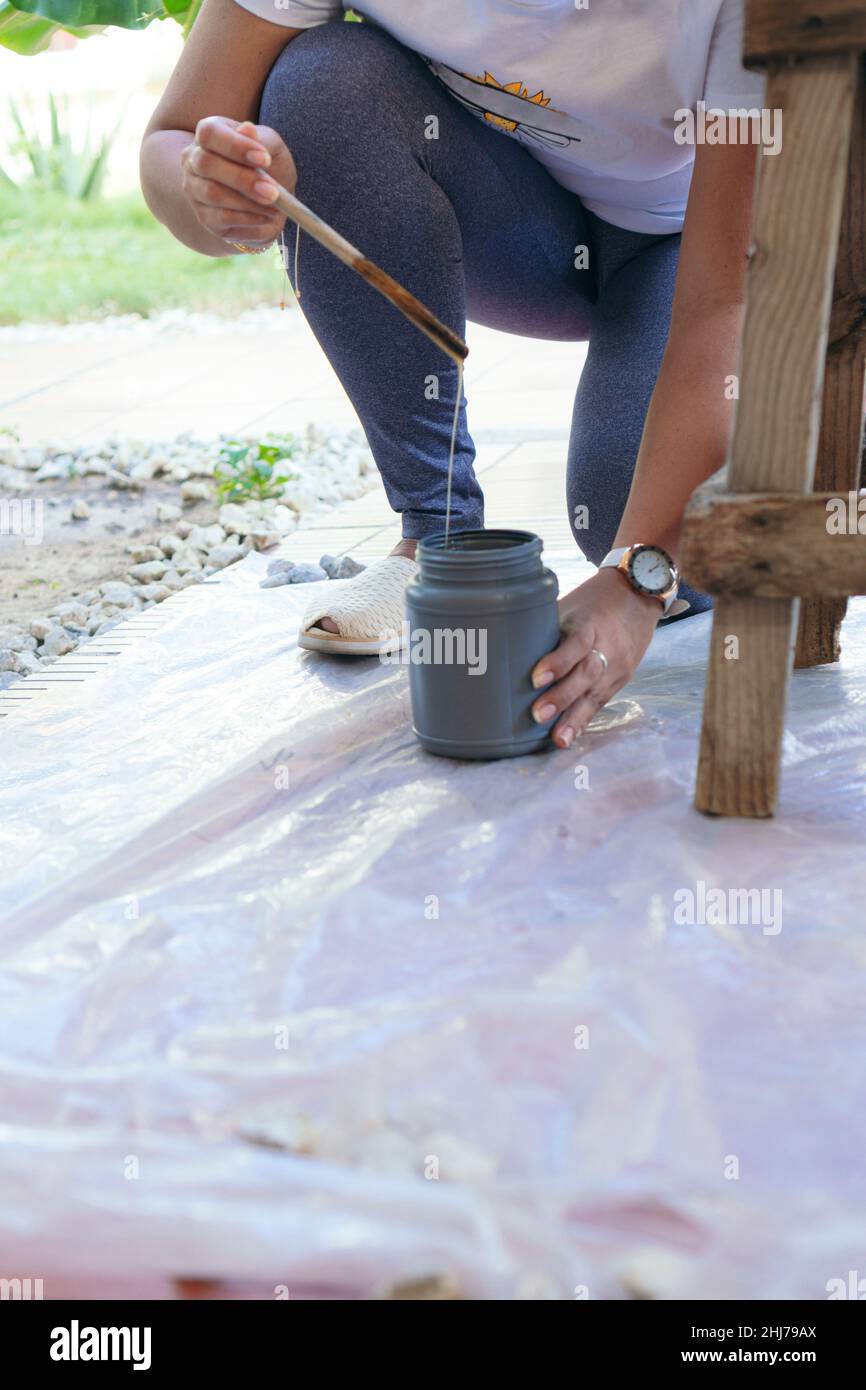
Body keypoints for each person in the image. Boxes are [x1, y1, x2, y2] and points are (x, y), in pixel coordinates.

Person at [140, 0, 762, 750]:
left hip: (687, 240)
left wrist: (638, 579)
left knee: (631, 525)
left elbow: (723, 297)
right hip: (519, 217)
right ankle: (434, 538)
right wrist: (211, 192)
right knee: (324, 86)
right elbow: (174, 135)